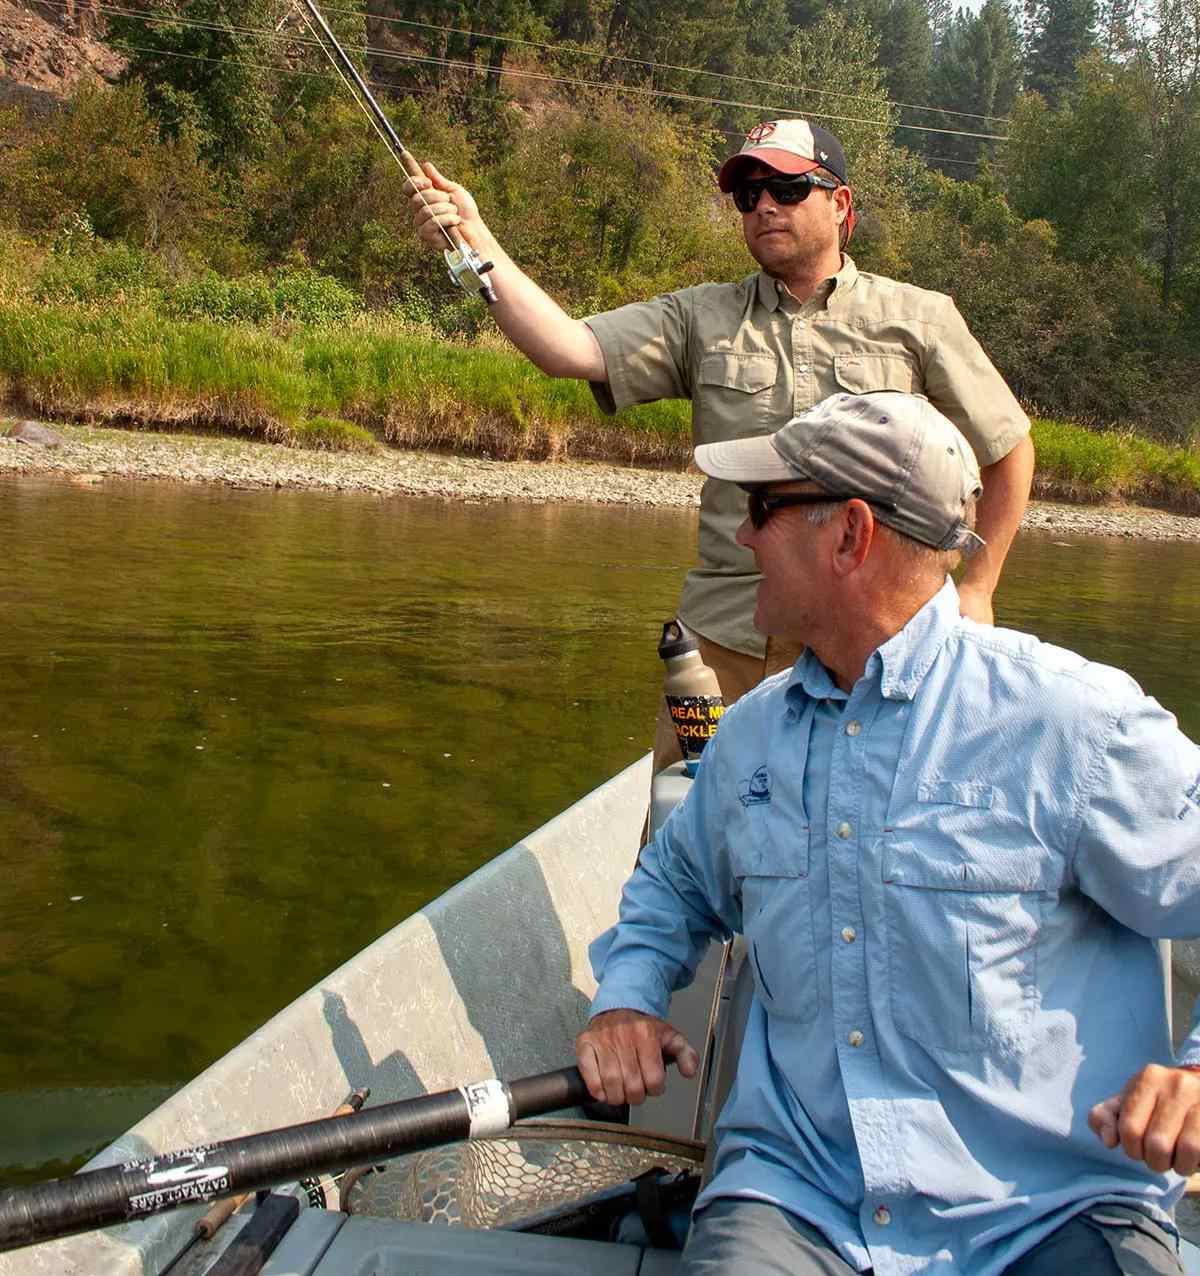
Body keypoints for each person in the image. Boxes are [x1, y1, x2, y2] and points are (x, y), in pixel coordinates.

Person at [574, 390, 1200, 1276]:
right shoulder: (749, 737)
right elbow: (674, 886)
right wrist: (628, 999)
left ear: (850, 535)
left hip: (1049, 1209)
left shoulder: (1073, 725)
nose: (741, 536)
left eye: (762, 509)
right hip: (799, 1199)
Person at [405, 119, 1036, 767]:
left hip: (876, 642)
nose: (764, 206)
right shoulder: (698, 317)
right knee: (684, 816)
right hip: (725, 642)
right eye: (748, 194)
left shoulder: (920, 318)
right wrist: (475, 240)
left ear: (840, 203)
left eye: (787, 189)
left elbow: (1009, 448)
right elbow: (567, 347)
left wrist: (977, 589)